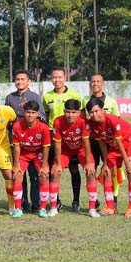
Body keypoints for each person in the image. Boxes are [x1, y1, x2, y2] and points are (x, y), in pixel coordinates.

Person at [86, 97, 131, 218]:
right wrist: (105, 162)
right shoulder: (91, 123)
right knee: (106, 172)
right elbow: (101, 142)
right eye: (91, 112)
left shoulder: (112, 120)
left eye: (96, 111)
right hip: (115, 147)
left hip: (130, 143)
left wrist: (127, 163)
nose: (94, 114)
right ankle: (110, 207)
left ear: (102, 110)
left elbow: (120, 142)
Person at [5, 70, 46, 213]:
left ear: (29, 81)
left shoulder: (34, 97)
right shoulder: (10, 98)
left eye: (23, 79)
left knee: (35, 175)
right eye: (17, 79)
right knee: (18, 174)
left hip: (33, 142)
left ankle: (36, 203)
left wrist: (27, 113)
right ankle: (21, 204)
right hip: (16, 141)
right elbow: (7, 118)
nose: (20, 82)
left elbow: (41, 116)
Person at [43, 67, 82, 211]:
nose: (57, 80)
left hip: (71, 135)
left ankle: (76, 201)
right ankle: (56, 200)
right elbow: (47, 116)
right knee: (54, 169)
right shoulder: (47, 96)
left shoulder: (75, 95)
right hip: (54, 134)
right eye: (54, 77)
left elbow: (80, 115)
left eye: (59, 77)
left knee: (73, 168)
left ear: (65, 78)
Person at [51, 100, 98, 218]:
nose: (70, 115)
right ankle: (53, 207)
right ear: (64, 112)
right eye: (68, 112)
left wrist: (88, 163)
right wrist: (57, 163)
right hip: (65, 150)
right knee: (55, 172)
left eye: (73, 112)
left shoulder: (83, 122)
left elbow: (86, 143)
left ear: (79, 113)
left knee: (91, 172)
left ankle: (92, 208)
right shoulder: (58, 121)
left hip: (81, 149)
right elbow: (57, 144)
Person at [84, 74, 121, 207]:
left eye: (98, 81)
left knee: (110, 169)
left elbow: (118, 121)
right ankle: (94, 199)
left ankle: (113, 198)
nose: (95, 84)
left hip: (108, 141)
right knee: (91, 169)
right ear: (90, 84)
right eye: (93, 81)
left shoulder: (111, 101)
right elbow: (84, 122)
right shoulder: (85, 100)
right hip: (93, 141)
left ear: (103, 84)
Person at [10, 101, 50, 219]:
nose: (30, 115)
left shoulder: (44, 127)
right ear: (24, 112)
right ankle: (18, 209)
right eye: (28, 112)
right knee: (17, 175)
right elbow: (17, 147)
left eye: (33, 112)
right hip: (23, 154)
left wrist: (44, 165)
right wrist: (16, 165)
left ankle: (42, 208)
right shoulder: (17, 126)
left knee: (43, 175)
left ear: (37, 114)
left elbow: (46, 147)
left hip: (38, 154)